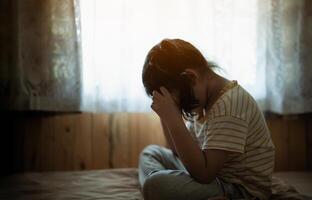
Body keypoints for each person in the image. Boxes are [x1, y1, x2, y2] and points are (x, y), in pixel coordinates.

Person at [138, 38, 275, 200]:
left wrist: (174, 118)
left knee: (155, 184)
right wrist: (166, 117)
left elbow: (205, 174)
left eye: (181, 103)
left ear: (191, 78)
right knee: (151, 153)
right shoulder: (203, 101)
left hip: (237, 189)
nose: (184, 109)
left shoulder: (230, 104)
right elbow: (178, 152)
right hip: (209, 177)